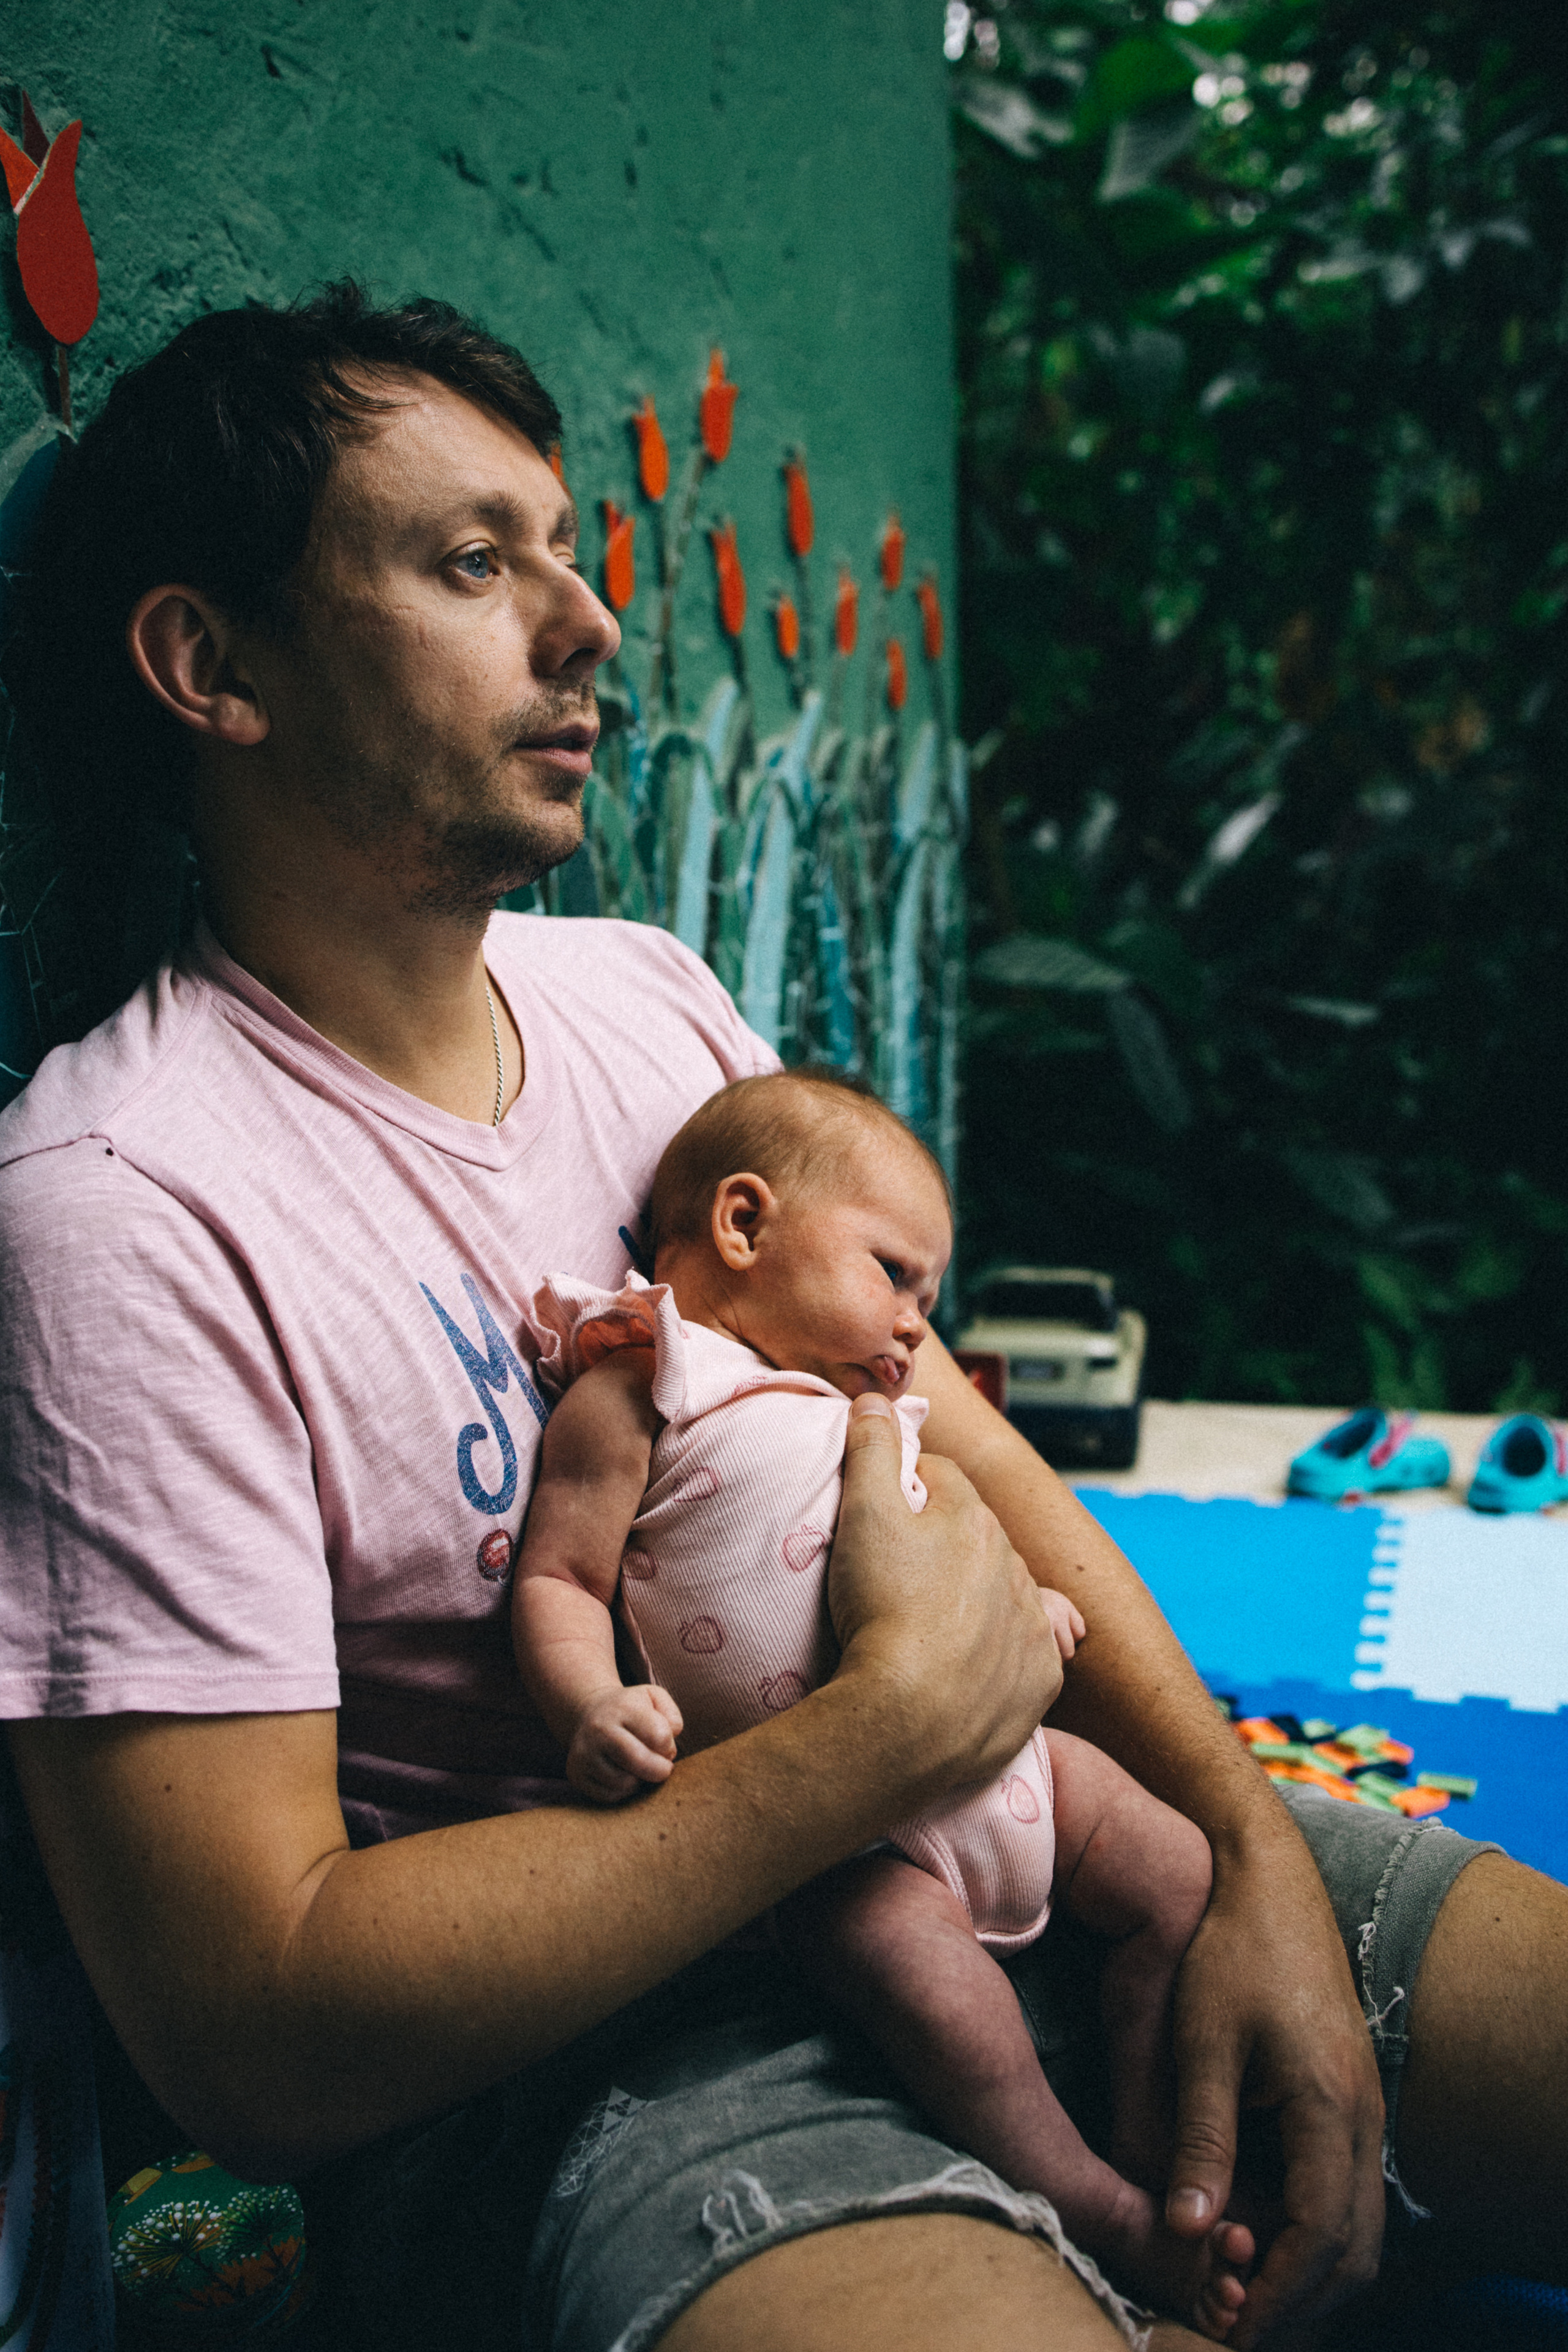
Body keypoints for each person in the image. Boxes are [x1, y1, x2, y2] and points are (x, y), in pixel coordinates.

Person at [0, 283, 1562, 2352]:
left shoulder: (643, 1000)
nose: (587, 624)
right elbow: (255, 2035)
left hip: (1034, 1830)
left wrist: (1242, 1840)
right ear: (215, 664)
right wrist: (871, 1745)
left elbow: (954, 1430)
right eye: (474, 562)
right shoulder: (125, 1208)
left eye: (570, 551)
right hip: (636, 2049)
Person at [513, 1068, 1253, 2337]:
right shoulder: (645, 1385)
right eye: (893, 1274)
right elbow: (559, 1577)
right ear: (743, 1226)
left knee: (1175, 1871)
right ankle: (1078, 2192)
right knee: (935, 1995)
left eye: (926, 1294)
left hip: (1009, 1763)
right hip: (847, 1846)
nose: (916, 1323)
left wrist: (1022, 1595)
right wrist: (586, 1704)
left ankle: (1145, 2142)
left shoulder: (857, 1402)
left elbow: (936, 1523)